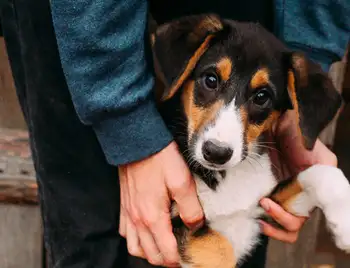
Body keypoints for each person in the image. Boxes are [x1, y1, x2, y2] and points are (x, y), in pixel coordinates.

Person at [0, 0, 348, 268]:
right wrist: (128, 128)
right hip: (80, 20)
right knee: (93, 239)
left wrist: (303, 76)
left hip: (262, 10)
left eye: (260, 98)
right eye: (211, 82)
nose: (220, 138)